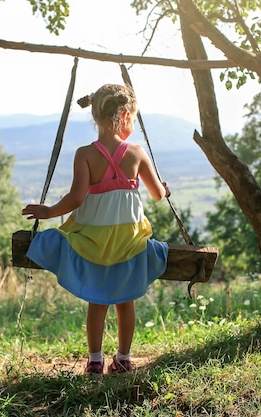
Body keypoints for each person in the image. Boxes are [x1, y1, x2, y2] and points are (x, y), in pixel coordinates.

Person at [21, 84, 170, 375]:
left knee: (97, 302)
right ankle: (124, 358)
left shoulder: (85, 155)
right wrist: (164, 190)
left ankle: (94, 361)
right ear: (125, 117)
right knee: (125, 301)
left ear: (96, 116)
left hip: (92, 241)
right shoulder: (137, 153)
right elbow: (156, 194)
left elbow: (76, 199)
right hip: (128, 242)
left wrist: (48, 212)